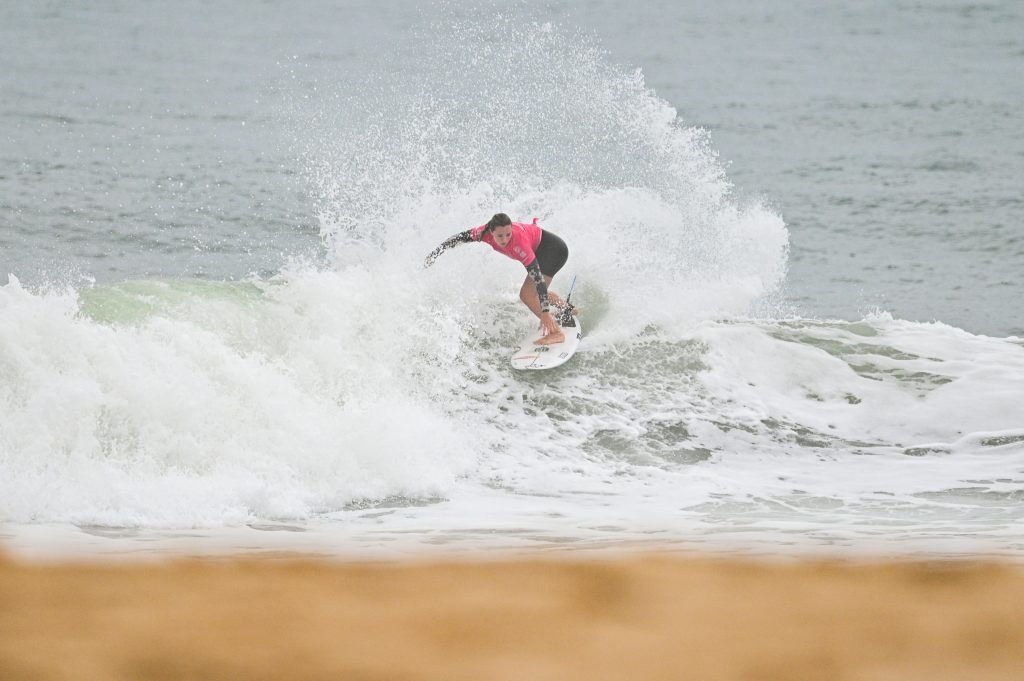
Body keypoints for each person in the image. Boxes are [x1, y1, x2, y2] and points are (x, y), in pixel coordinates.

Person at [424, 213, 575, 345]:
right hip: (545, 250)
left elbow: (538, 279)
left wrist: (545, 312)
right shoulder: (482, 233)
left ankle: (556, 333)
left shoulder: (519, 243)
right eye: (500, 236)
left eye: (508, 234)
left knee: (527, 295)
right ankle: (567, 308)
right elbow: (460, 237)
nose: (505, 240)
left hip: (553, 251)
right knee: (534, 291)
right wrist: (435, 253)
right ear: (491, 232)